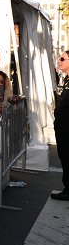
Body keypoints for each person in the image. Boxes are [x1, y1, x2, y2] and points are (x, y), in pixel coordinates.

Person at [52, 52, 69, 201]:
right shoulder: (66, 79)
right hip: (62, 126)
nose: (59, 61)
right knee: (64, 156)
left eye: (63, 59)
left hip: (67, 127)